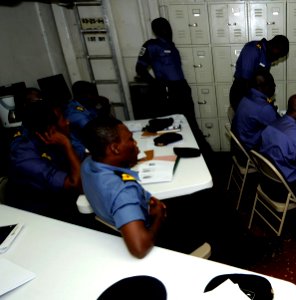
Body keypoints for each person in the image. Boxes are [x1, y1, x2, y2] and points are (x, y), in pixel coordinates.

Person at [80, 117, 205, 258]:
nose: (135, 143)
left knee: (198, 199)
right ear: (114, 148)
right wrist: (158, 216)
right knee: (207, 211)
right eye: (130, 140)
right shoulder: (124, 192)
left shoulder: (88, 164)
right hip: (153, 236)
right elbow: (139, 248)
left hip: (123, 222)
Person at [135, 17, 213, 164]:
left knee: (190, 124)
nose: (167, 30)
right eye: (163, 27)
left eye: (168, 27)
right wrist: (155, 84)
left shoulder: (171, 45)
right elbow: (140, 68)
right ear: (156, 30)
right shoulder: (151, 45)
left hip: (181, 88)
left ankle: (204, 158)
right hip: (167, 90)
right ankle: (177, 159)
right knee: (171, 126)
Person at [6, 100, 83, 223]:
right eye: (62, 119)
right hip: (36, 213)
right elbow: (76, 183)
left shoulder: (45, 132)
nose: (67, 122)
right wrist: (67, 145)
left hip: (59, 198)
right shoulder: (23, 154)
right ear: (50, 129)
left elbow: (81, 159)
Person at [230, 35, 289, 111]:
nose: (277, 59)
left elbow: (263, 85)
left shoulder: (267, 55)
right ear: (274, 46)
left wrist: (268, 102)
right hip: (241, 92)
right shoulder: (252, 50)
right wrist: (263, 106)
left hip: (253, 94)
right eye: (278, 55)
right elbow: (245, 82)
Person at [232, 68, 280, 151]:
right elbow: (280, 129)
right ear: (264, 86)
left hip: (241, 145)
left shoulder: (245, 98)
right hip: (252, 150)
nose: (275, 86)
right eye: (272, 83)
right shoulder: (264, 108)